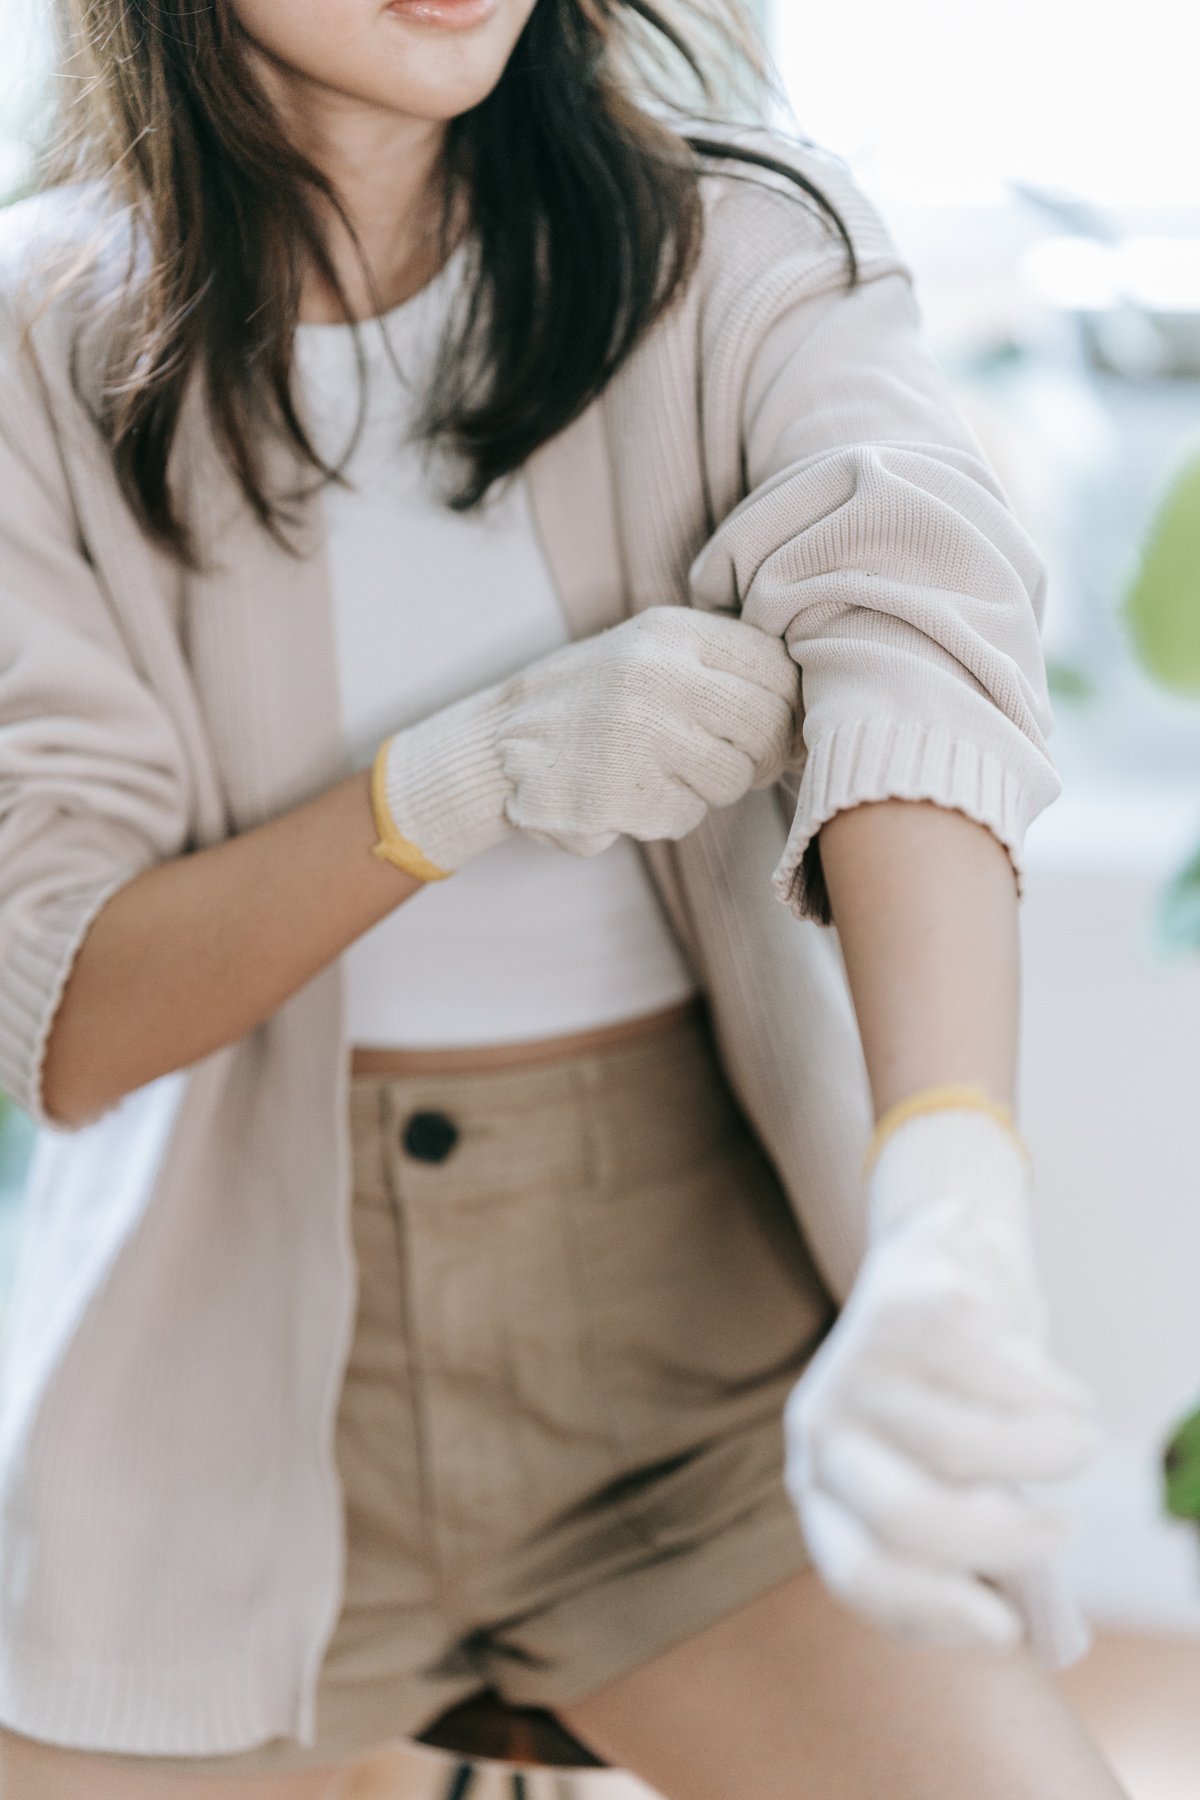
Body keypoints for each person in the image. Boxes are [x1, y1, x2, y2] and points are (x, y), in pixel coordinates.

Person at [0, 0, 1128, 1795]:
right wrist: (453, 782)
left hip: (703, 1384)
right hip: (214, 1396)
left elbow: (907, 635)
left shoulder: (750, 246)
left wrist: (947, 1185)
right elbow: (62, 1014)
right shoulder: (34, 341)